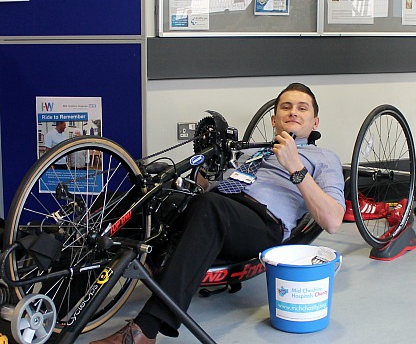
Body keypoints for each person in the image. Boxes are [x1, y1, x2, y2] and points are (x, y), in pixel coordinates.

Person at [91, 83, 346, 344]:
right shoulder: (250, 151)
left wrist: (296, 168)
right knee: (146, 195)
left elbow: (333, 220)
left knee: (211, 207)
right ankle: (65, 301)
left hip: (262, 223)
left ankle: (146, 329)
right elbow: (204, 187)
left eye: (302, 108)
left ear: (314, 122)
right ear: (274, 119)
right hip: (215, 207)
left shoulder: (324, 158)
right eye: (286, 107)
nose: (293, 112)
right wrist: (207, 168)